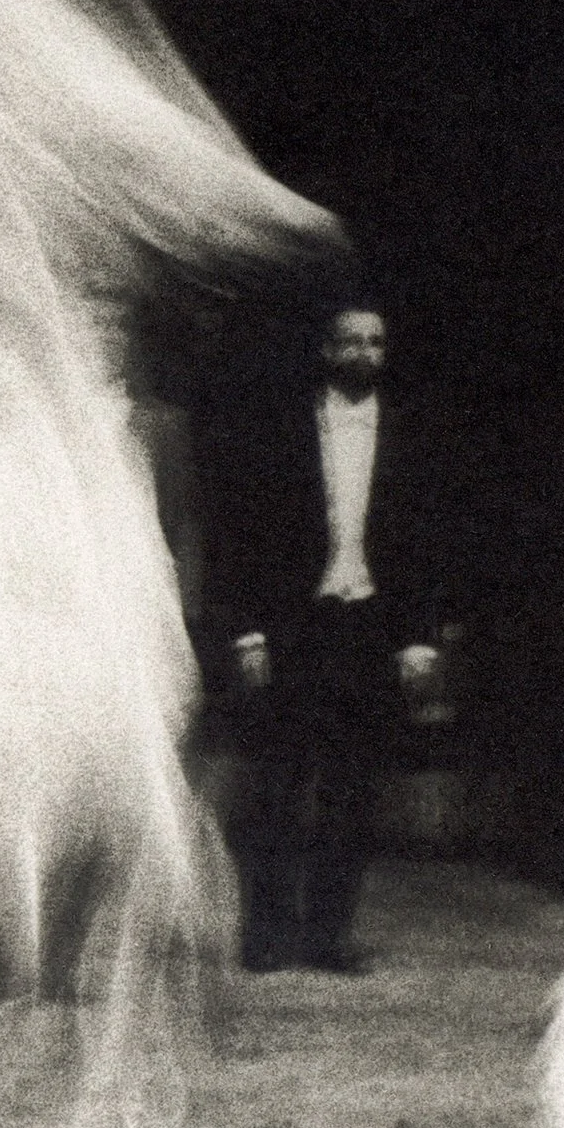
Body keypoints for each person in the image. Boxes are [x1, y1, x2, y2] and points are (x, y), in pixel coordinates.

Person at [205, 302, 447, 973]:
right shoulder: (282, 430)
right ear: (326, 348)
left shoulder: (409, 433)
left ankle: (328, 935)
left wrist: (418, 638)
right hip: (294, 625)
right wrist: (248, 633)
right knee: (280, 782)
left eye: (376, 340)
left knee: (352, 789)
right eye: (351, 341)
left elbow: (423, 542)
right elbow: (241, 532)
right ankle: (268, 933)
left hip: (368, 625)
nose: (365, 352)